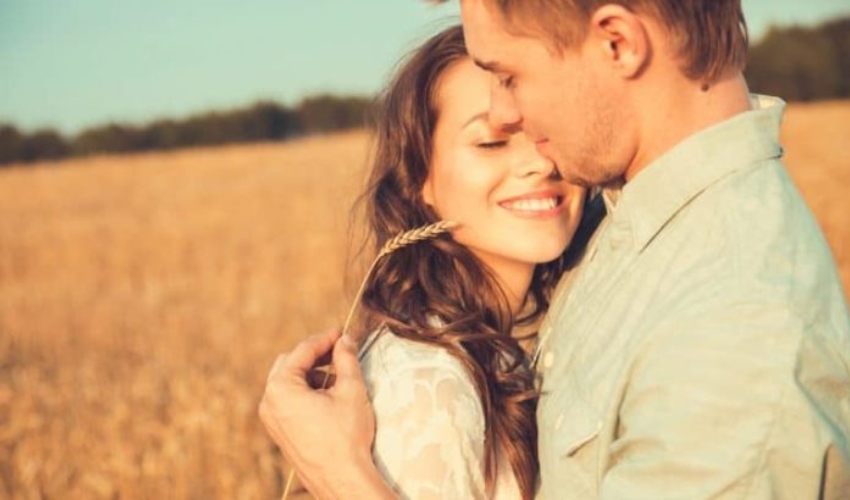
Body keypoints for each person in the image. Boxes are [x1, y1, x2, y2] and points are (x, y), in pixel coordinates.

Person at [261, 1, 850, 498]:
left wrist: (344, 477)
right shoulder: (616, 222)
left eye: (511, 75)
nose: (503, 109)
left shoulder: (736, 334)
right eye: (490, 137)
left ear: (617, 43)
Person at [261, 25, 593, 499]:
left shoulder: (487, 351)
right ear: (422, 180)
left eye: (545, 134)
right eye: (491, 142)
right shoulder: (429, 384)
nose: (539, 164)